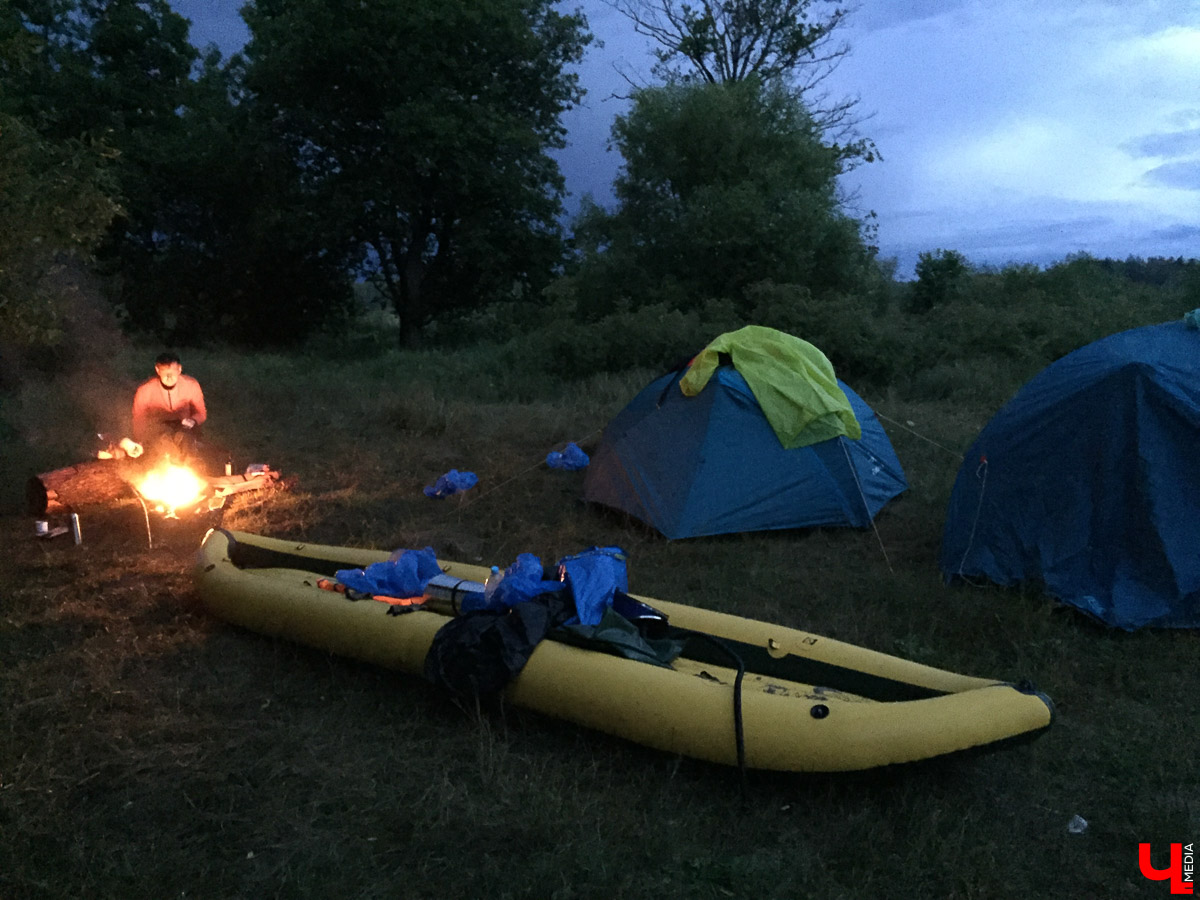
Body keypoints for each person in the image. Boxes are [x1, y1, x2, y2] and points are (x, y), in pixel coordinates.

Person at [131, 352, 208, 462]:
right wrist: (140, 441)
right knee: (164, 444)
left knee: (185, 440)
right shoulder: (145, 390)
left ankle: (190, 466)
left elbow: (201, 413)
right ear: (157, 370)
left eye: (173, 372)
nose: (169, 377)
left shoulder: (191, 385)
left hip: (184, 426)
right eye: (165, 372)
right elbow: (139, 419)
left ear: (179, 369)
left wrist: (193, 420)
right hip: (158, 429)